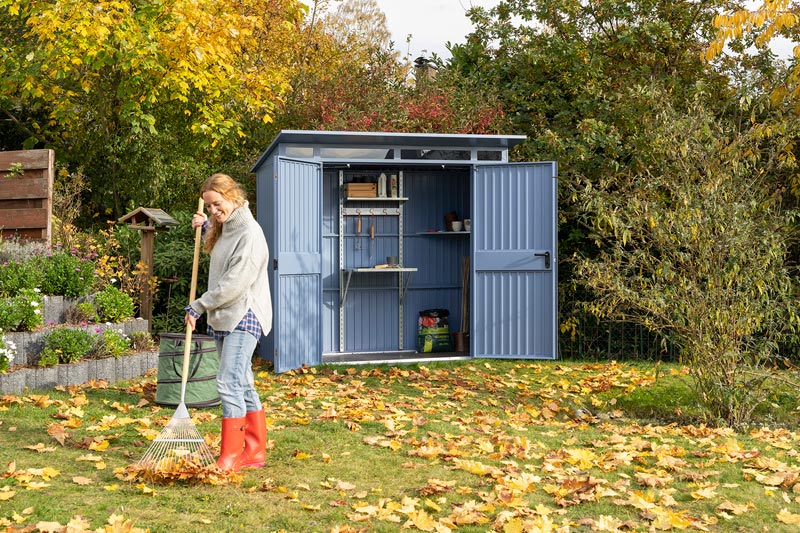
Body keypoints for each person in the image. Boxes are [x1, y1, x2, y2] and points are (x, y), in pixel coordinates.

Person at [184, 173, 272, 472]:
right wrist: (206, 225)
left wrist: (199, 305)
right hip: (226, 314)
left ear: (233, 197)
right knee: (242, 382)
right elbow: (223, 234)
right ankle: (254, 452)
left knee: (228, 382)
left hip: (244, 313)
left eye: (217, 204)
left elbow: (235, 284)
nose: (213, 211)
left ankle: (232, 455)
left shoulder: (251, 234)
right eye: (208, 206)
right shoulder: (228, 226)